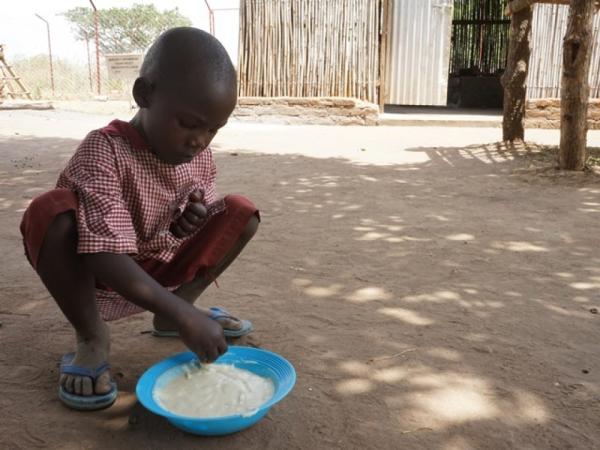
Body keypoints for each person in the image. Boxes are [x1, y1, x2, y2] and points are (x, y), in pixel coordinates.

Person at [19, 27, 259, 411]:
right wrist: (185, 318)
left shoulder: (197, 156)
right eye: (189, 123)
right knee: (51, 211)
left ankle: (177, 308)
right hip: (96, 270)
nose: (200, 140)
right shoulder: (104, 150)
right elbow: (101, 254)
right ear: (144, 95)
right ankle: (92, 336)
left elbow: (203, 207)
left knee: (240, 213)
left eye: (212, 129)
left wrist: (191, 219)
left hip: (158, 264)